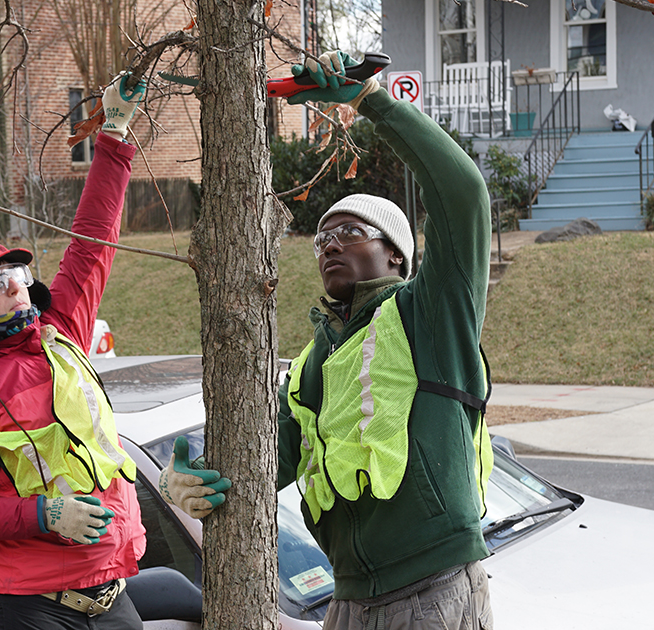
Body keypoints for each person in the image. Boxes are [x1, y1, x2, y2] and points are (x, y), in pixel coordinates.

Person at [172, 51, 496, 629]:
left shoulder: (432, 313)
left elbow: (464, 192)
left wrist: (373, 101)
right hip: (346, 599)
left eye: (349, 232)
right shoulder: (310, 365)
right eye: (322, 237)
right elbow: (261, 463)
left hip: (433, 586)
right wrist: (196, 479)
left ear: (395, 254)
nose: (329, 244)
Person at [0, 71, 148, 630]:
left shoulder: (60, 327)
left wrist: (114, 130)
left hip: (111, 595)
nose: (13, 285)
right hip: (24, 610)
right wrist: (44, 514)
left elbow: (92, 240)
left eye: (13, 272)